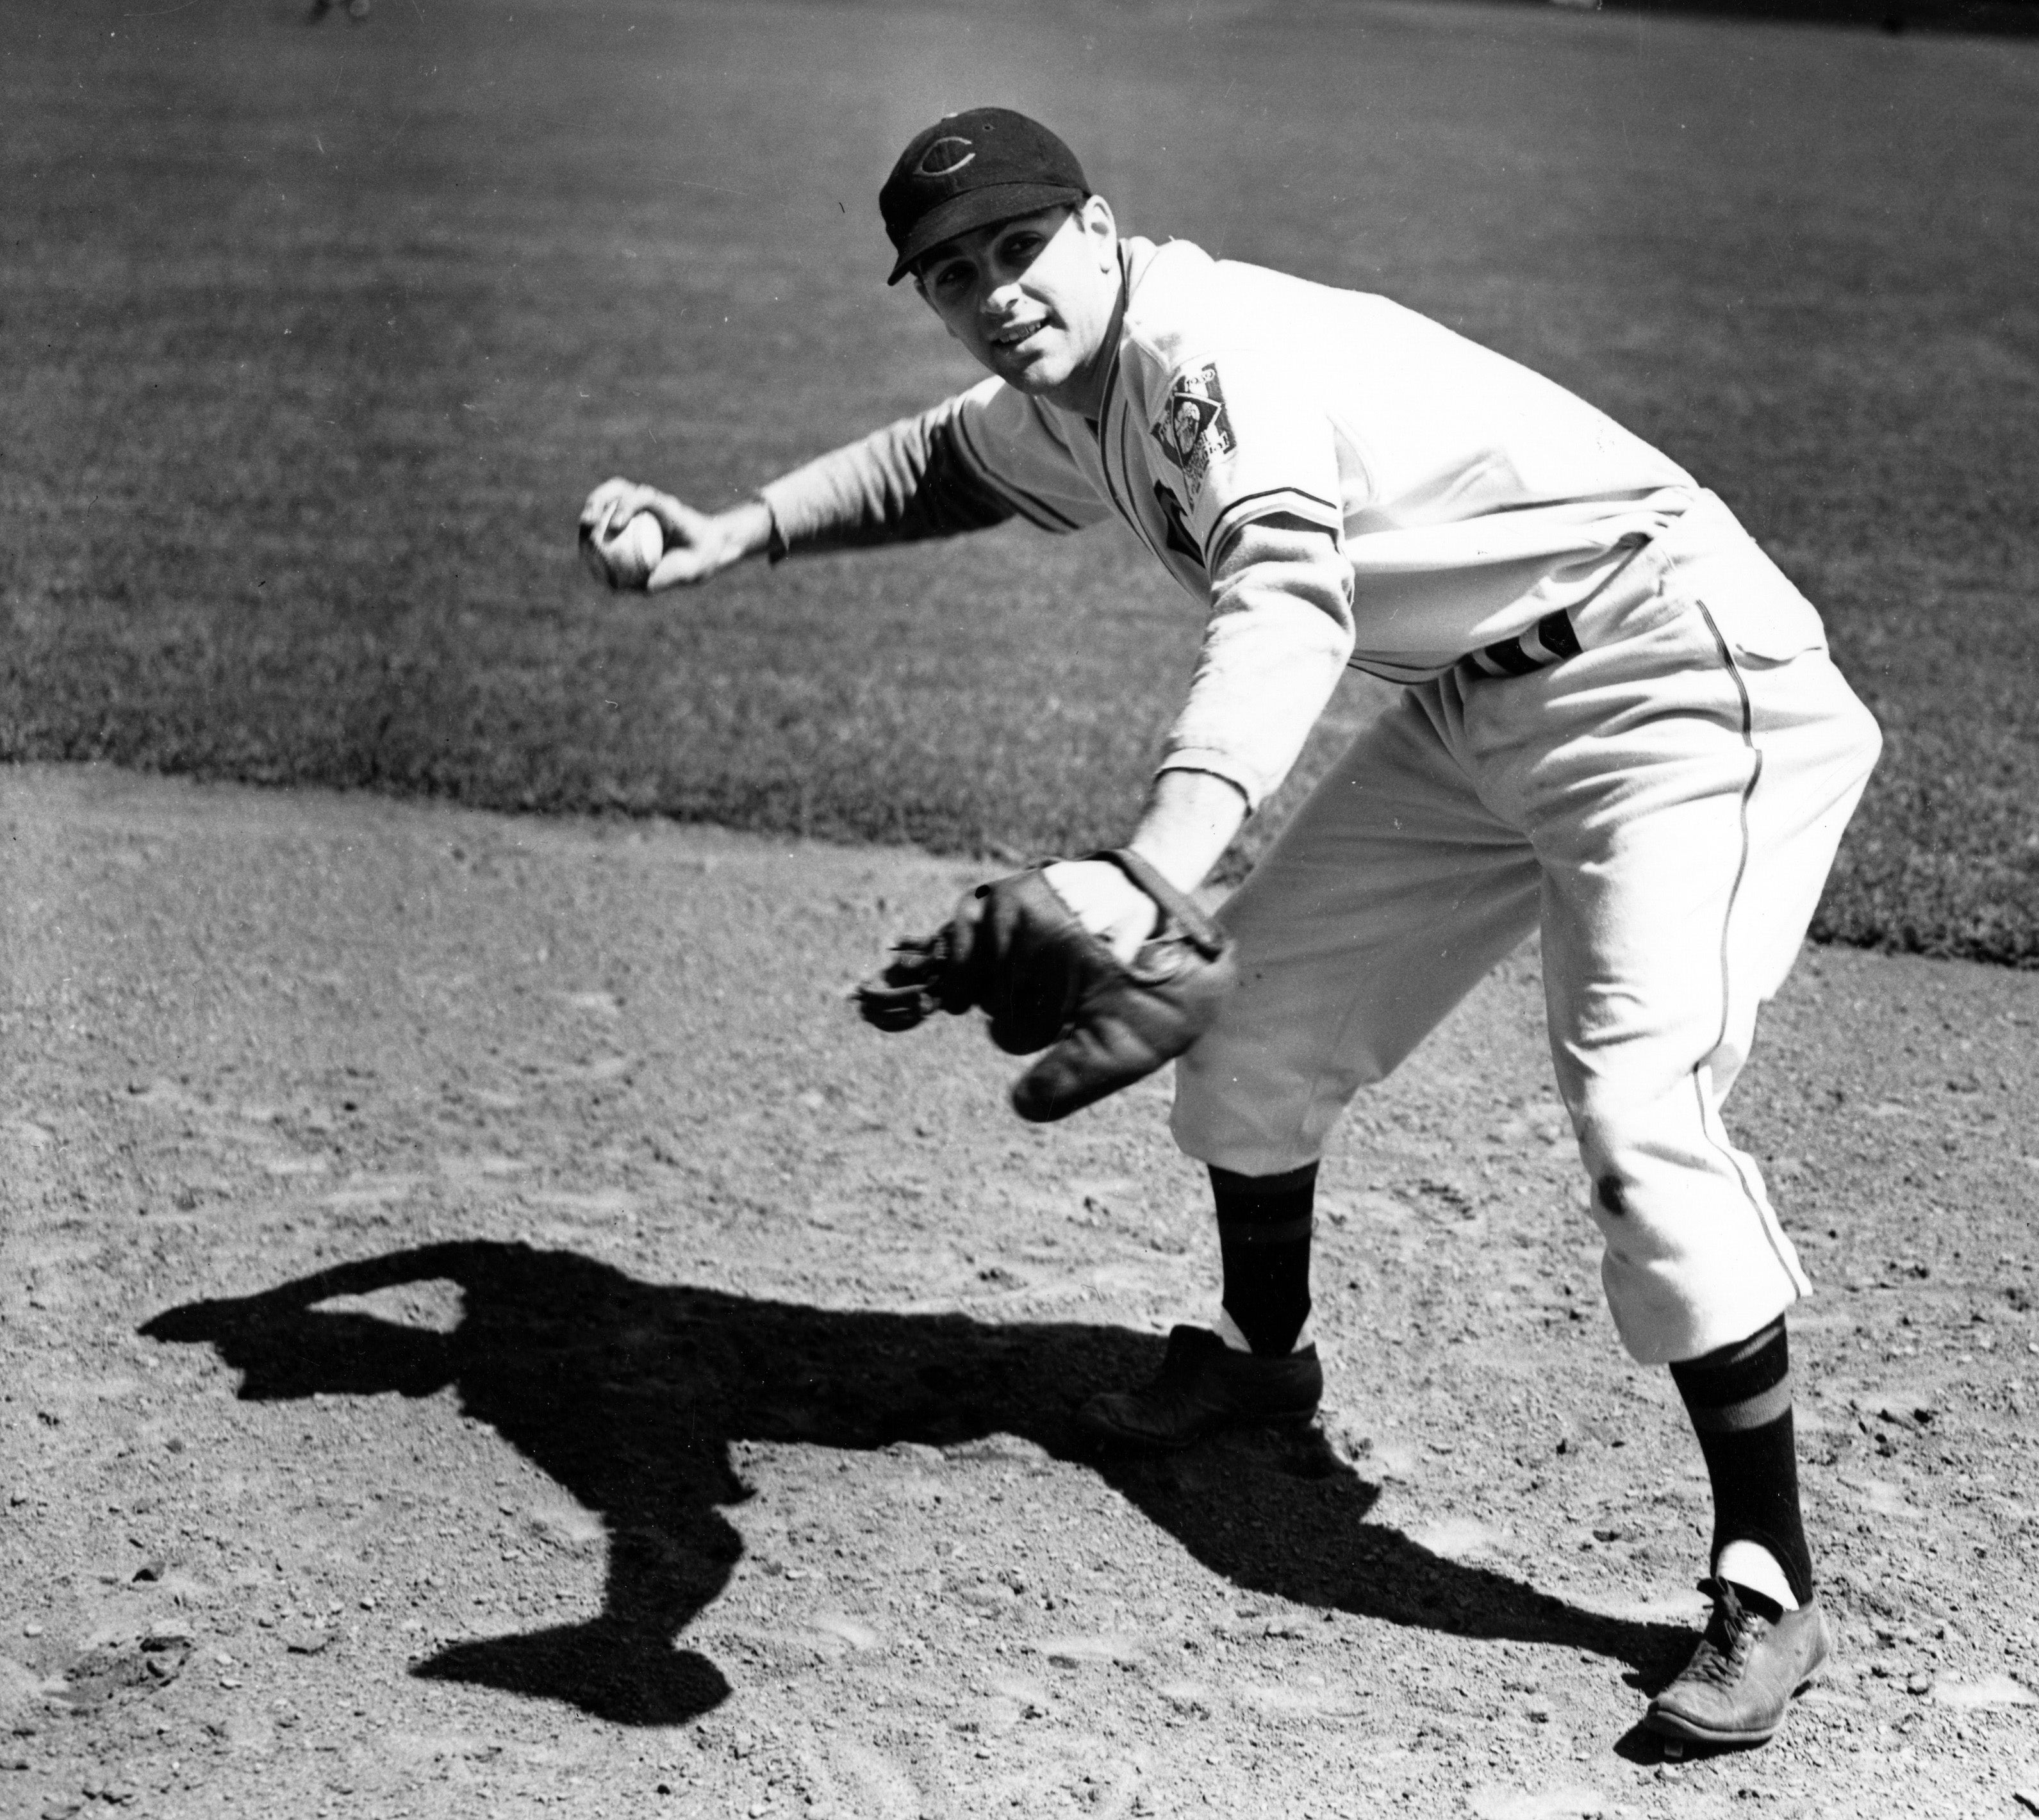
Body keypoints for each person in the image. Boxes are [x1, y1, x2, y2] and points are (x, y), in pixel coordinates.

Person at [578, 106, 1881, 1750]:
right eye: (952, 273)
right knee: (1253, 1035)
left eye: (1021, 247)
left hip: (1676, 679)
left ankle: (1766, 1576)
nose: (994, 292)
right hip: (1472, 708)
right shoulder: (1075, 382)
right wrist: (734, 528)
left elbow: (1286, 598)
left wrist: (1151, 870)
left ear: (1100, 226)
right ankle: (1264, 1359)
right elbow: (939, 462)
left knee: (1638, 1112)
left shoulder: (1201, 356)